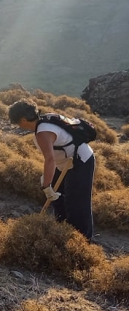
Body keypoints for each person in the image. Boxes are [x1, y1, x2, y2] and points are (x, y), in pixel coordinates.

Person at [8, 100, 95, 240]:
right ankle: (61, 230)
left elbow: (50, 159)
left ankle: (82, 241)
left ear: (23, 119)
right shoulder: (44, 122)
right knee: (57, 196)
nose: (19, 126)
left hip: (80, 161)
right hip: (65, 163)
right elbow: (52, 159)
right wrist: (48, 181)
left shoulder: (42, 133)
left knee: (77, 203)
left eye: (18, 123)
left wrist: (46, 185)